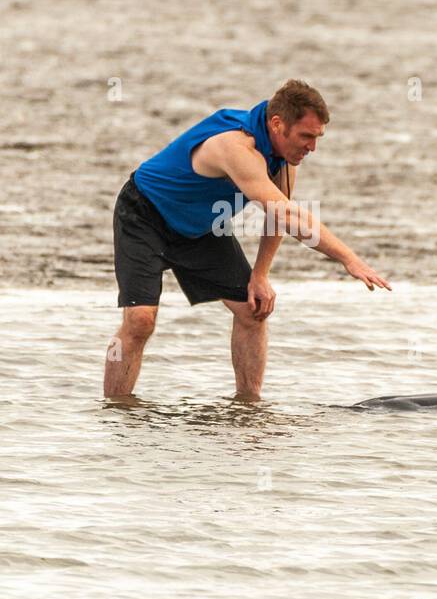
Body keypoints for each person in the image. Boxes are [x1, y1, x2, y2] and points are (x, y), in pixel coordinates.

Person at [105, 79, 390, 401]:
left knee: (254, 309)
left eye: (318, 137)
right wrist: (349, 259)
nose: (312, 147)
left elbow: (277, 216)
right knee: (140, 320)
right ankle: (116, 409)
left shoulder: (283, 160)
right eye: (306, 137)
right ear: (278, 124)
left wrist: (261, 276)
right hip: (144, 215)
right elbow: (291, 216)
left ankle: (249, 407)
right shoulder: (235, 146)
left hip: (198, 228)